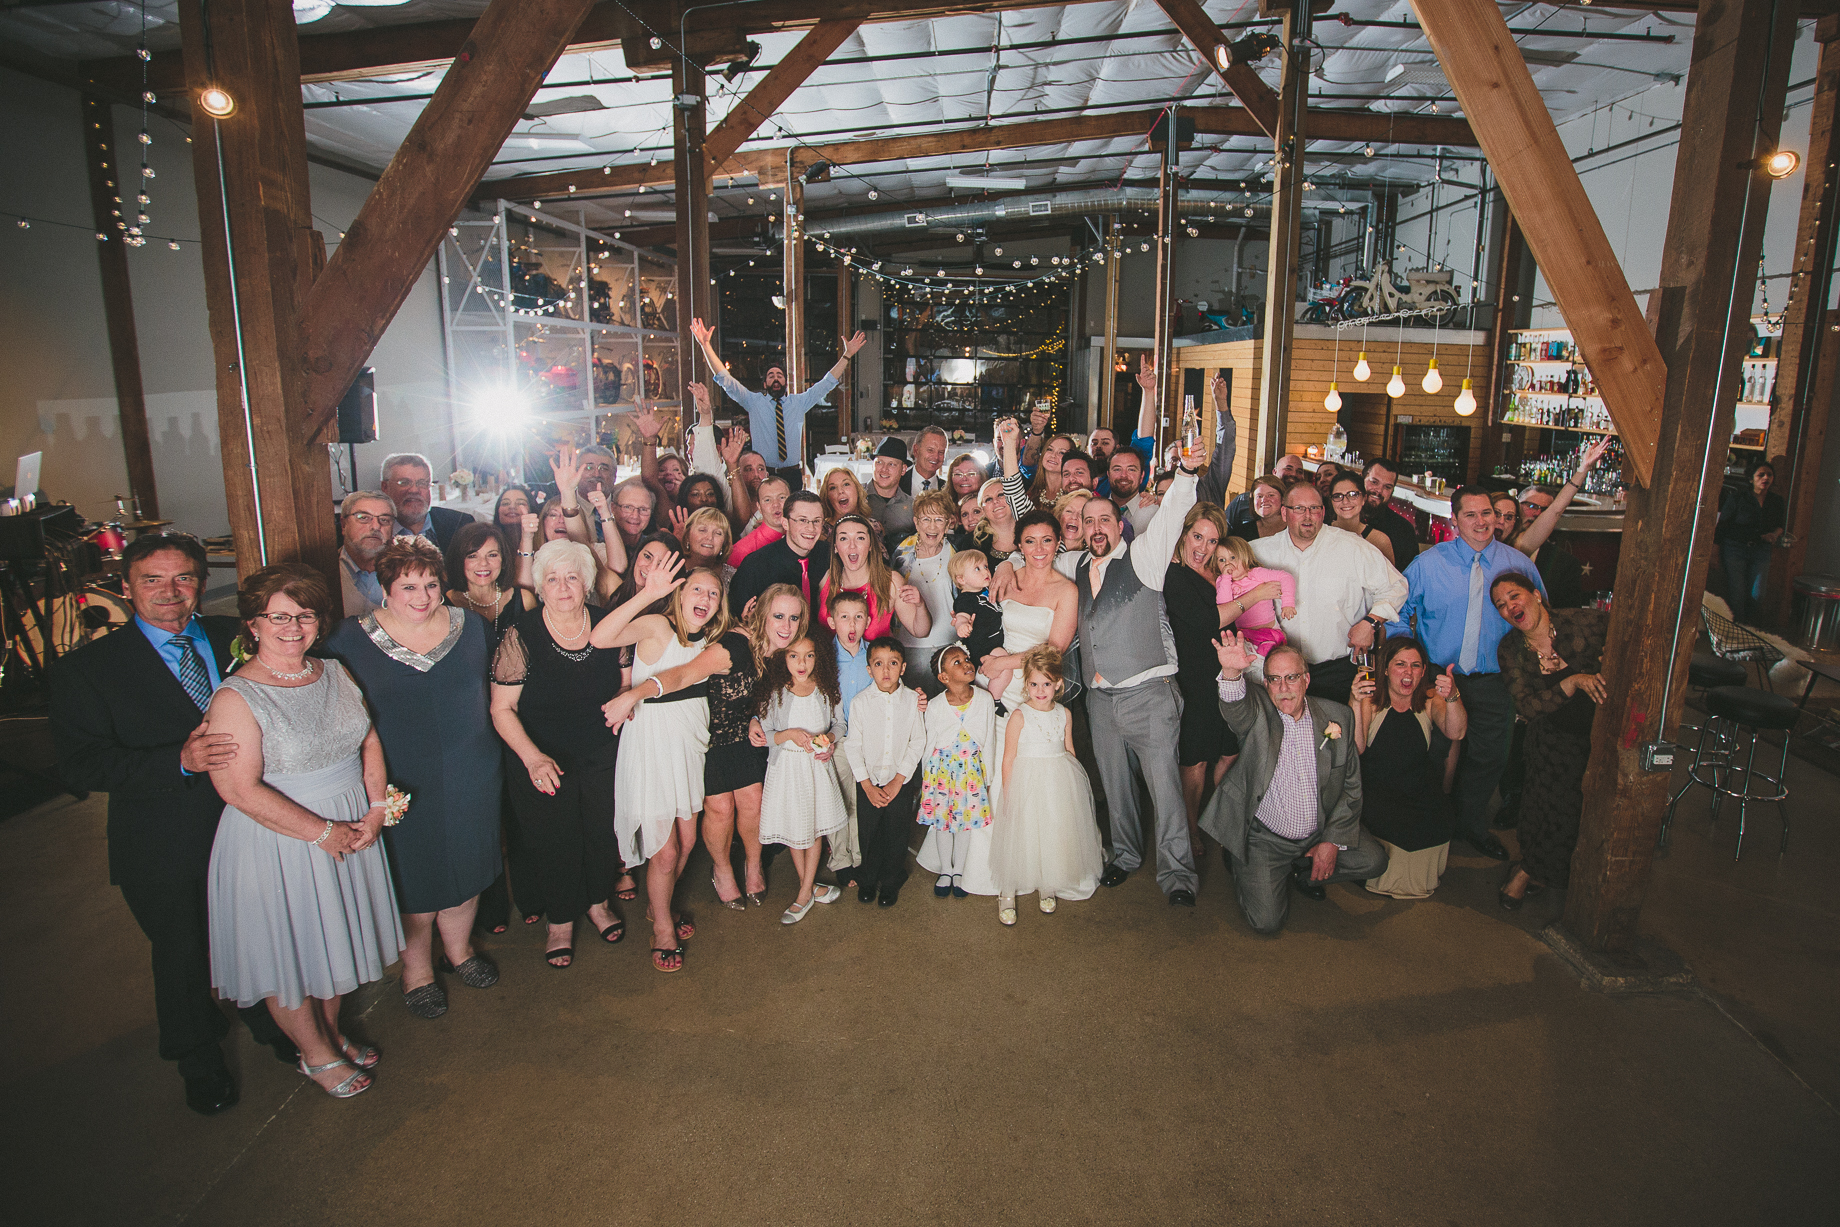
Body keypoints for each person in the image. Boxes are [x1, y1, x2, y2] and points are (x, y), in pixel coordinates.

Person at [51, 534, 297, 1114]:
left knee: (255, 931)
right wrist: (177, 761)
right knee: (183, 952)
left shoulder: (236, 637)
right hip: (160, 836)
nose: (170, 591)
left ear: (201, 583)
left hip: (250, 820)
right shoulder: (88, 668)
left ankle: (270, 1019)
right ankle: (198, 1058)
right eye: (152, 580)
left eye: (183, 578)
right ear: (125, 588)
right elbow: (81, 765)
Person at [203, 562, 404, 1099]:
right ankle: (314, 1054)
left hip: (350, 823)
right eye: (279, 617)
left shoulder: (333, 671)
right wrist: (321, 832)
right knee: (289, 950)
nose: (293, 627)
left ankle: (332, 1034)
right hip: (280, 838)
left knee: (331, 940)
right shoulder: (236, 697)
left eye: (305, 615)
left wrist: (376, 808)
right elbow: (238, 789)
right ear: (253, 624)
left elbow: (368, 740)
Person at [324, 539, 501, 1019]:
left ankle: (460, 951)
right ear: (385, 589)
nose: (422, 597)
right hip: (397, 775)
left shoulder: (472, 628)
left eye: (431, 584)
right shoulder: (348, 639)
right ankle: (416, 971)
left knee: (468, 863)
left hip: (472, 769)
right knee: (413, 878)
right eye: (408, 587)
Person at [605, 583, 810, 909]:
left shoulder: (781, 652)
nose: (786, 626)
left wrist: (755, 717)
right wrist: (633, 694)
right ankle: (722, 869)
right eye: (778, 616)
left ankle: (753, 864)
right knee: (721, 808)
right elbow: (682, 675)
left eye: (794, 618)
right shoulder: (733, 647)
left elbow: (764, 697)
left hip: (743, 733)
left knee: (754, 800)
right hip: (707, 733)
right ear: (763, 616)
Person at [490, 540, 630, 970]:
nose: (564, 587)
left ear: (587, 582)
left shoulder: (609, 624)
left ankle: (598, 902)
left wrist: (624, 701)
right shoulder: (521, 634)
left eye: (572, 577)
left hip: (601, 750)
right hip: (541, 755)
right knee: (554, 838)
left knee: (602, 830)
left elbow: (626, 682)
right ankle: (561, 919)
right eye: (552, 579)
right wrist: (532, 758)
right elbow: (501, 708)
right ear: (540, 586)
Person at [1386, 487, 1544, 862]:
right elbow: (1395, 610)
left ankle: (1470, 826)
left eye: (1487, 513)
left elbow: (1540, 616)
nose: (1481, 521)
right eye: (1470, 515)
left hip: (1496, 678)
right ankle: (1429, 822)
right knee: (1433, 751)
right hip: (1438, 676)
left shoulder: (1518, 565)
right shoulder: (1428, 564)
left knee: (1489, 756)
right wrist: (1409, 662)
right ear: (1454, 521)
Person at [1077, 444, 1203, 904]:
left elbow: (1171, 516)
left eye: (1104, 520)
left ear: (1120, 525)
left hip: (1149, 694)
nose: (1096, 528)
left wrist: (1186, 472)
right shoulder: (1077, 566)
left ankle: (1178, 877)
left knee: (1165, 790)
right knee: (1116, 785)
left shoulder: (1144, 556)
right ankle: (1127, 855)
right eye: (1088, 521)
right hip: (1099, 698)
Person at [1201, 634, 1387, 936]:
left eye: (1291, 677)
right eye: (1274, 679)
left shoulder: (1338, 716)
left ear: (1306, 680)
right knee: (1266, 922)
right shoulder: (1258, 713)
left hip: (1317, 832)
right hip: (1265, 839)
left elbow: (1351, 787)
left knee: (1373, 860)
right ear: (1265, 684)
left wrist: (1330, 842)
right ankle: (1243, 864)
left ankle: (1303, 872)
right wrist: (1232, 672)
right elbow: (1235, 708)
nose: (1283, 688)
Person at [594, 564, 727, 971]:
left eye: (714, 593)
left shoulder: (712, 639)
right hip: (652, 747)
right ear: (680, 594)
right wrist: (648, 594)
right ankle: (663, 929)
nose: (705, 599)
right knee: (665, 852)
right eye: (697, 590)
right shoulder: (657, 626)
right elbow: (600, 638)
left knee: (686, 841)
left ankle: (659, 905)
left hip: (688, 746)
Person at [1491, 573, 1609, 910]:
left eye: (1514, 596)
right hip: (1552, 741)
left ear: (1537, 595)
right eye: (1501, 605)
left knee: (1593, 812)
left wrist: (1613, 657)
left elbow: (1631, 633)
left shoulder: (1585, 621)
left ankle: (1567, 874)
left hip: (1602, 734)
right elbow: (1528, 706)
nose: (1510, 606)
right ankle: (1528, 869)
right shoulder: (1510, 649)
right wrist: (1571, 682)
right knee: (1548, 811)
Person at [446, 522, 539, 934]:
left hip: (519, 714)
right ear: (459, 560)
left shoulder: (521, 598)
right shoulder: (443, 602)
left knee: (521, 810)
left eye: (492, 554)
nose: (482, 564)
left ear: (505, 558)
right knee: (482, 815)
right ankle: (491, 904)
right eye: (472, 555)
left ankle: (532, 893)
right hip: (469, 721)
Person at [1251, 482, 1406, 703]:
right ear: (1284, 513)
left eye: (1314, 508)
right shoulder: (1259, 551)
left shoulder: (1352, 547)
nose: (1308, 516)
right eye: (1299, 508)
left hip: (1339, 671)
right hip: (1282, 675)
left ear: (1323, 512)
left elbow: (1397, 586)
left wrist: (1370, 623)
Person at [989, 644, 1104, 925]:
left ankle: (1047, 884)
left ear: (1058, 684)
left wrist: (1075, 788)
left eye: (1047, 684)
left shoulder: (1064, 714)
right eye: (1034, 684)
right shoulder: (1019, 715)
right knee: (1024, 833)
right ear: (1026, 685)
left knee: (1052, 830)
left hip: (1057, 779)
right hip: (1027, 781)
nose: (1040, 690)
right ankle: (1007, 892)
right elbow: (1008, 758)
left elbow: (1069, 750)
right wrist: (1009, 793)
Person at [1350, 636, 1466, 900]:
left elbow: (1456, 732)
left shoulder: (1430, 698)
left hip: (1416, 784)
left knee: (1439, 819)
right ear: (1385, 669)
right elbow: (1357, 748)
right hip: (1376, 787)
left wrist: (1452, 697)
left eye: (1415, 665)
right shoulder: (1369, 698)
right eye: (1400, 664)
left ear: (1424, 671)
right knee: (1392, 823)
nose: (1408, 672)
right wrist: (1355, 703)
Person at [691, 316, 867, 476]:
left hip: (793, 474)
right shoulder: (753, 402)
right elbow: (726, 380)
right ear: (765, 384)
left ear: (785, 383)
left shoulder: (799, 403)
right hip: (763, 474)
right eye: (771, 376)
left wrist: (847, 355)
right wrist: (705, 345)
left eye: (779, 375)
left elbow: (826, 383)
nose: (775, 378)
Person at [1165, 504, 1243, 859]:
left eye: (1212, 541)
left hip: (1231, 671)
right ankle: (1191, 828)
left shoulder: (1222, 568)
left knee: (1230, 749)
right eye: (1197, 537)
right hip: (1194, 674)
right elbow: (1204, 621)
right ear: (1184, 534)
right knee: (1195, 758)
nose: (1204, 547)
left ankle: (1221, 820)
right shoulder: (1174, 574)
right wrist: (1254, 597)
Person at [754, 635, 849, 923]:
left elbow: (840, 724)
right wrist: (790, 735)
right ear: (783, 658)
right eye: (794, 656)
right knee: (797, 828)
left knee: (815, 828)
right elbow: (766, 734)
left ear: (819, 658)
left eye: (809, 655)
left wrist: (829, 740)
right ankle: (808, 887)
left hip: (816, 767)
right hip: (787, 768)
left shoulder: (826, 688)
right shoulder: (775, 691)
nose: (802, 663)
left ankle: (805, 893)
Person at [844, 636, 928, 906]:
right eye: (878, 664)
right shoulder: (860, 702)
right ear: (869, 669)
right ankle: (868, 879)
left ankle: (892, 880)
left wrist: (898, 780)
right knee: (869, 833)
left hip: (899, 781)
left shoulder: (912, 700)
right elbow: (853, 745)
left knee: (897, 833)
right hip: (868, 782)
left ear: (903, 668)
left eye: (893, 663)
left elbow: (917, 741)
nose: (886, 670)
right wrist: (867, 785)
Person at [915, 642, 999, 898]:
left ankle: (959, 871)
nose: (966, 664)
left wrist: (988, 775)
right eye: (957, 662)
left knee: (964, 823)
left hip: (970, 774)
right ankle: (946, 870)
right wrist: (925, 778)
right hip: (941, 773)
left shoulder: (984, 699)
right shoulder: (936, 705)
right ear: (944, 677)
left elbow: (989, 739)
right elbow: (928, 742)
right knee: (942, 824)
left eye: (966, 658)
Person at [1501, 437, 1613, 609]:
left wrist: (1582, 470)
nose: (1537, 514)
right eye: (1531, 506)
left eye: (1508, 517)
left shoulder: (1521, 546)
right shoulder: (1486, 547)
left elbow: (1556, 510)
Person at [820, 513, 931, 641]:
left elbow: (919, 631)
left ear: (871, 545)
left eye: (860, 538)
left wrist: (920, 605)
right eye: (844, 538)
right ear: (835, 547)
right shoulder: (825, 579)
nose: (852, 545)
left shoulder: (891, 581)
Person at [893, 489, 960, 692]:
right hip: (911, 644)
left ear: (948, 524)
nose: (932, 526)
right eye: (926, 519)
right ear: (916, 522)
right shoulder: (901, 553)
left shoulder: (957, 552)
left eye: (939, 520)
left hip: (950, 644)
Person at [730, 490, 832, 613]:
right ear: (785, 523)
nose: (811, 528)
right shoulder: (756, 565)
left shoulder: (829, 554)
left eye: (816, 521)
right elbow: (738, 614)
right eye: (802, 520)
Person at [1715, 459, 1785, 624]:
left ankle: (1749, 628)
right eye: (1761, 475)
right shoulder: (1737, 498)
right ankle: (1737, 628)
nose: (1766, 478)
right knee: (1737, 593)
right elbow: (1723, 526)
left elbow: (1780, 524)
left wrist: (1774, 534)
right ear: (1751, 478)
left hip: (1761, 550)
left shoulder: (1776, 501)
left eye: (1769, 475)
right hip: (1735, 548)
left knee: (1757, 594)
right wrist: (1714, 551)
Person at [1214, 535, 1292, 656]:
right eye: (1221, 560)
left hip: (1269, 632)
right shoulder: (1222, 581)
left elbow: (1285, 577)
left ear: (1245, 556)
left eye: (1233, 557)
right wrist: (1226, 578)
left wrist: (1288, 603)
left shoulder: (1255, 573)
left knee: (1274, 657)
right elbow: (1225, 605)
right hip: (1244, 636)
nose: (1227, 563)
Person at [381, 453, 471, 552]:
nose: (414, 490)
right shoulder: (376, 533)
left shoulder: (461, 524)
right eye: (404, 483)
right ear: (385, 487)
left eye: (422, 483)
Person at [950, 549, 1007, 699]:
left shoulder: (985, 591)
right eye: (977, 569)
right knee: (1004, 663)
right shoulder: (966, 599)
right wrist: (962, 626)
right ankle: (993, 699)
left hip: (994, 643)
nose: (985, 571)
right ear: (961, 579)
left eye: (985, 567)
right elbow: (961, 616)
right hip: (982, 648)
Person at [336, 490, 394, 616]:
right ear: (343, 525)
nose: (376, 526)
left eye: (384, 520)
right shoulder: (326, 569)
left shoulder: (406, 572)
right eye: (363, 518)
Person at [1361, 459, 1419, 567]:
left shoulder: (1404, 530)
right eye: (1374, 482)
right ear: (1361, 479)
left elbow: (1407, 575)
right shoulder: (1343, 516)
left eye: (1387, 487)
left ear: (1392, 491)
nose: (1379, 490)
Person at [1329, 473, 1396, 565]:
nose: (1345, 501)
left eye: (1353, 495)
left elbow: (1390, 574)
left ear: (1364, 499)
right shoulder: (1321, 532)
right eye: (1337, 496)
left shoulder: (1380, 541)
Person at [865, 436, 916, 547]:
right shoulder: (856, 496)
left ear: (903, 470)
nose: (884, 469)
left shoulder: (912, 506)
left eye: (891, 464)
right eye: (879, 462)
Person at [903, 425, 951, 494]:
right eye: (930, 450)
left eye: (941, 452)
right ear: (916, 450)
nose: (936, 457)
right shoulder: (898, 483)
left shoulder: (949, 490)